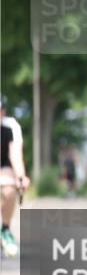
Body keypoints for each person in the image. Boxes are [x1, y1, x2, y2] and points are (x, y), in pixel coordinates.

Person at [1, 96, 31, 258]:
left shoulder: (10, 126)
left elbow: (15, 155)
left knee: (9, 190)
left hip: (4, 167)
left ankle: (5, 229)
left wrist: (21, 176)